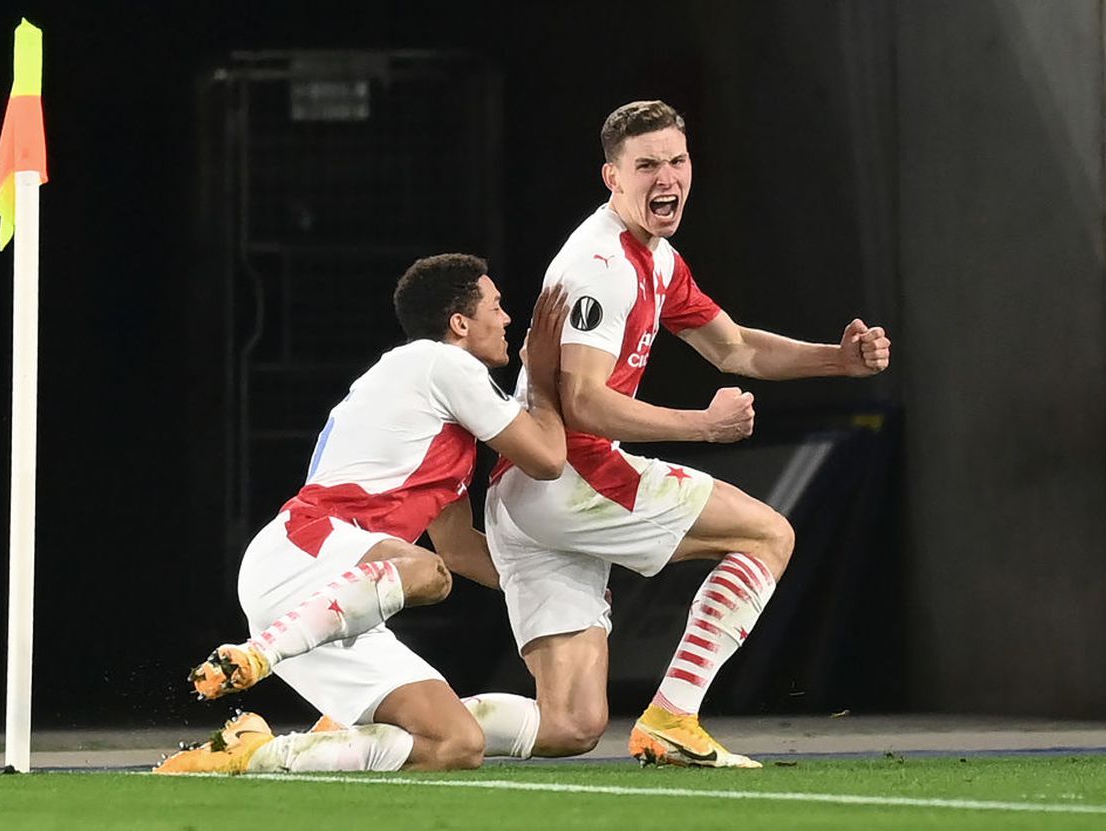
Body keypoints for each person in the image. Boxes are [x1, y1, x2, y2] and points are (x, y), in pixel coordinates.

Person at [485, 100, 892, 769]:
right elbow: (584, 402)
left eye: (676, 160)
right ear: (612, 176)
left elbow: (734, 348)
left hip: (521, 495)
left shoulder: (657, 259)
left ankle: (380, 726)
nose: (666, 177)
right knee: (767, 534)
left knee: (570, 724)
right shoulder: (602, 266)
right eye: (646, 165)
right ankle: (673, 717)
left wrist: (836, 360)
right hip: (571, 475)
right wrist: (703, 425)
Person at [155, 253, 567, 775]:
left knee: (455, 745)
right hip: (306, 552)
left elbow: (460, 547)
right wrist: (543, 376)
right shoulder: (441, 362)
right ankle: (258, 654)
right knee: (427, 573)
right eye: (497, 306)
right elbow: (548, 459)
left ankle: (255, 752)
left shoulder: (430, 412)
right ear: (460, 324)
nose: (507, 319)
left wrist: (553, 591)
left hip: (336, 595)